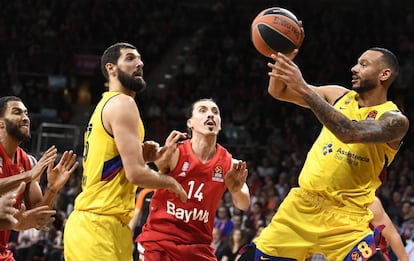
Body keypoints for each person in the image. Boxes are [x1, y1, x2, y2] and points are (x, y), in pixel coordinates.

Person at [239, 47, 409, 261]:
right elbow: (279, 91)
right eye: (357, 62)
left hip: (348, 220)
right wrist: (283, 57)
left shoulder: (395, 121)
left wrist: (303, 87)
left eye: (364, 64)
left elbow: (349, 132)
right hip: (302, 208)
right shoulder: (338, 95)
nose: (354, 68)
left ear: (384, 74)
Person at [63, 42, 187, 261]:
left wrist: (145, 156)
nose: (139, 63)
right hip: (96, 225)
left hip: (113, 226)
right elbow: (136, 174)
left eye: (139, 59)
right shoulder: (122, 103)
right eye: (130, 58)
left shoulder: (110, 104)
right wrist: (172, 183)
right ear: (111, 68)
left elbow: (111, 161)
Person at [137, 98, 251, 261]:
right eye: (203, 110)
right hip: (160, 240)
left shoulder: (229, 164)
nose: (210, 115)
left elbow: (244, 204)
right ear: (190, 123)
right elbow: (141, 177)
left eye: (215, 112)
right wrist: (154, 161)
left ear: (220, 126)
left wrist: (236, 190)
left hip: (198, 246)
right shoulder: (175, 152)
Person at [0, 95, 79, 260]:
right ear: (1, 122)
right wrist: (28, 176)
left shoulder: (28, 161)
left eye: (26, 113)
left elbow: (37, 218)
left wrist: (52, 188)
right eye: (17, 112)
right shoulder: (30, 170)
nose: (25, 118)